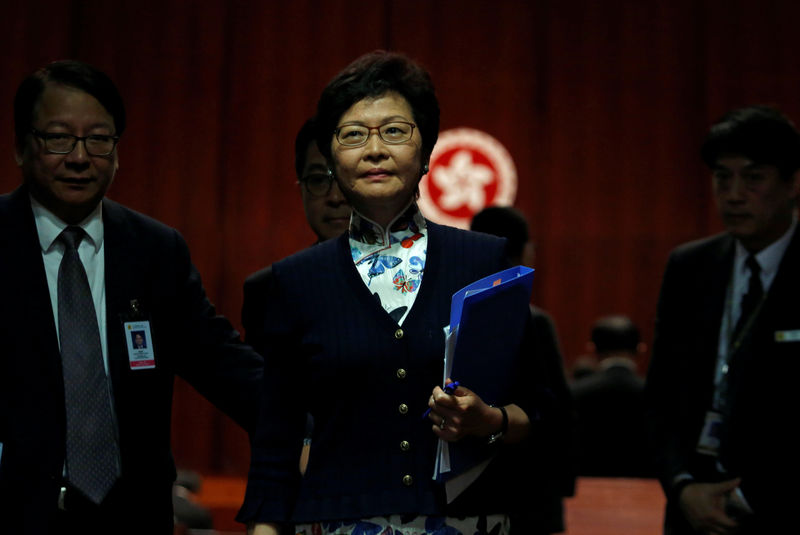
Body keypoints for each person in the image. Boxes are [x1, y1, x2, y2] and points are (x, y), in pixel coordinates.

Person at [238, 50, 557, 535]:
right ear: (332, 155)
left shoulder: (484, 261)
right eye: (352, 134)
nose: (374, 150)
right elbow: (275, 445)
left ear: (426, 152)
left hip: (467, 521)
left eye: (394, 131)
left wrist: (487, 419)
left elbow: (537, 410)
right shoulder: (295, 280)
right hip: (336, 521)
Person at [0, 60, 264, 535]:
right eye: (59, 138)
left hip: (132, 519)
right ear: (21, 146)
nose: (80, 157)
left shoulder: (154, 251)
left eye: (98, 139)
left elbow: (225, 365)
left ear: (117, 151)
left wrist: (317, 428)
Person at [645, 105, 800, 534]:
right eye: (722, 177)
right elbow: (661, 395)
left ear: (792, 183)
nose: (733, 194)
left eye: (753, 178)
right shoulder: (690, 266)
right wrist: (681, 486)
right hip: (692, 506)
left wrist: (749, 497)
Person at [242, 117, 351, 475]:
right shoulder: (268, 290)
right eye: (319, 180)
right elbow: (266, 410)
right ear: (301, 188)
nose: (334, 197)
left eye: (345, 178)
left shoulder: (426, 279)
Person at [470, 205, 575, 534]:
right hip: (529, 492)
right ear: (522, 249)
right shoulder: (533, 321)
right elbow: (557, 412)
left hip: (470, 492)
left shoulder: (456, 318)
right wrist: (564, 485)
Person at [570, 315, 655, 478]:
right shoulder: (658, 395)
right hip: (647, 490)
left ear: (593, 349)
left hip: (587, 488)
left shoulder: (574, 393)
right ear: (640, 349)